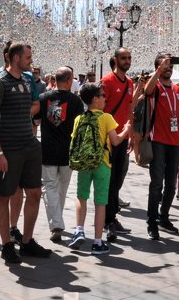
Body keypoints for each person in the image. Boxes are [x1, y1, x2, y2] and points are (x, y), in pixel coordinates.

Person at [0, 41, 52, 263]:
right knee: (3, 196)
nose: (31, 61)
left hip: (30, 145)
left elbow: (33, 106)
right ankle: (6, 245)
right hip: (8, 148)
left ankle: (27, 242)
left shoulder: (26, 80)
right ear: (15, 58)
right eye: (27, 57)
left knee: (34, 194)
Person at [68, 82, 132, 255]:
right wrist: (126, 130)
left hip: (83, 164)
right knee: (100, 203)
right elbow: (116, 141)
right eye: (103, 95)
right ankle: (97, 242)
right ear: (95, 99)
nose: (105, 98)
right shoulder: (106, 118)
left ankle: (79, 230)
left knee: (81, 197)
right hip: (102, 164)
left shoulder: (79, 118)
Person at [39, 66, 85, 243]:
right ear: (69, 80)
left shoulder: (43, 99)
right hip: (68, 151)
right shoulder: (76, 101)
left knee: (49, 187)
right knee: (62, 189)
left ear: (53, 81)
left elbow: (36, 119)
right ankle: (57, 223)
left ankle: (56, 223)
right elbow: (79, 128)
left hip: (48, 150)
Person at [143, 52, 179, 240]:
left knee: (171, 185)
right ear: (158, 67)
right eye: (164, 65)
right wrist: (158, 71)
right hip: (159, 141)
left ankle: (164, 217)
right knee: (156, 184)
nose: (168, 67)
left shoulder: (177, 89)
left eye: (170, 65)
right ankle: (152, 223)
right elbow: (146, 90)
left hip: (175, 142)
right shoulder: (156, 87)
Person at [100, 47, 134, 237]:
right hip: (108, 138)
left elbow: (129, 108)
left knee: (117, 179)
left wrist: (132, 134)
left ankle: (111, 217)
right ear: (115, 59)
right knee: (109, 179)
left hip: (123, 137)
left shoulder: (129, 82)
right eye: (123, 58)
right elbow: (100, 108)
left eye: (129, 58)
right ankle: (108, 220)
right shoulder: (106, 81)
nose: (127, 61)